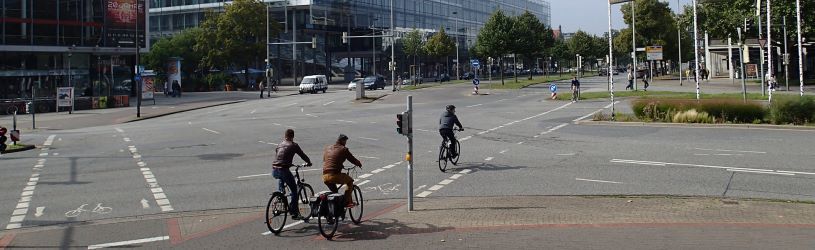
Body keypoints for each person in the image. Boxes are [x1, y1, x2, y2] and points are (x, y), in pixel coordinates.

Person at [272, 129, 312, 220]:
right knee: (294, 190)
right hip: (284, 170)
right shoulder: (294, 145)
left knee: (281, 178)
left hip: (274, 169)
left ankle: (280, 195)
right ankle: (294, 212)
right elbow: (303, 155)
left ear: (285, 136)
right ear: (293, 136)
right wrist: (309, 162)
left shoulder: (279, 144)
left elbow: (278, 156)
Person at [322, 134, 362, 208]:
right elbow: (352, 159)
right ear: (342, 141)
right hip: (334, 175)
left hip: (324, 176)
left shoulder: (328, 148)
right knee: (350, 181)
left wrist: (340, 164)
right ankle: (346, 202)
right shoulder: (344, 149)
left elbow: (326, 160)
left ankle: (334, 212)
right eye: (345, 141)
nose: (345, 143)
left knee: (335, 192)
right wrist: (359, 164)